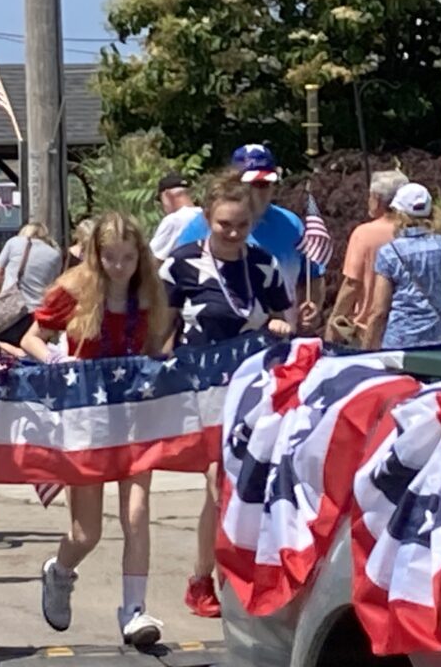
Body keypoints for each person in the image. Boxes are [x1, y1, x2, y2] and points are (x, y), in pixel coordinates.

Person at [20, 213, 171, 647]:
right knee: (88, 531)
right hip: (85, 416)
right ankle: (60, 571)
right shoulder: (73, 288)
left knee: (137, 515)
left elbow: (158, 342)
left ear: (139, 254)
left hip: (133, 417)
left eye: (127, 257)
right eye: (110, 257)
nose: (119, 266)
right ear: (95, 255)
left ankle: (134, 610)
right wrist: (54, 360)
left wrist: (157, 369)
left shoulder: (150, 291)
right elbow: (34, 336)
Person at [162, 168, 292, 618]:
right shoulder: (181, 263)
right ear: (208, 217)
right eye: (224, 224)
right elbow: (161, 328)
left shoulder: (262, 265)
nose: (234, 233)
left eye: (242, 225)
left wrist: (284, 324)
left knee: (242, 484)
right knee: (220, 482)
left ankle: (224, 574)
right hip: (203, 390)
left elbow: (286, 319)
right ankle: (209, 580)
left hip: (253, 389)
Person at [176, 144, 325, 333]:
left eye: (264, 184)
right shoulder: (201, 225)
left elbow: (313, 276)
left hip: (279, 340)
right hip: (211, 343)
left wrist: (312, 308)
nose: (257, 193)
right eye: (250, 185)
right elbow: (174, 285)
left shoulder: (291, 224)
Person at [363, 183, 441, 350]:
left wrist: (367, 349)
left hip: (400, 342)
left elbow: (379, 311)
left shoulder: (389, 253)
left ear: (399, 214)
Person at [325, 170, 409, 345]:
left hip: (369, 332)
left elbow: (352, 285)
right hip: (408, 329)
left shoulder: (364, 234)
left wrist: (333, 322)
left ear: (377, 199)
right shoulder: (416, 234)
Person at [0, 222, 63, 347]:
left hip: (10, 311)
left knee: (4, 354)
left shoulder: (13, 242)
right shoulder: (55, 255)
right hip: (37, 316)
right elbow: (54, 288)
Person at [149, 173, 202, 261]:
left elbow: (151, 258)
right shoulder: (207, 215)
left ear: (167, 196)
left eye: (161, 200)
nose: (163, 206)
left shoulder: (174, 220)